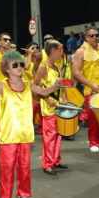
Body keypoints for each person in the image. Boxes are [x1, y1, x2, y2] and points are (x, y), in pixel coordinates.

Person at [0, 51, 61, 198]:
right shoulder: (1, 85)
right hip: (8, 135)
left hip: (25, 134)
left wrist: (56, 86)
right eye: (15, 65)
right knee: (7, 167)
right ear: (7, 69)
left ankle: (24, 195)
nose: (19, 67)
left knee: (25, 166)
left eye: (21, 64)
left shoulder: (28, 84)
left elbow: (43, 92)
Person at [72, 27, 99, 153]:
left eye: (97, 35)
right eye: (92, 36)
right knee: (93, 118)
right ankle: (94, 142)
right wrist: (91, 85)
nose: (95, 37)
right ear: (86, 38)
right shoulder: (81, 52)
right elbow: (76, 73)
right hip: (91, 89)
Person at [34, 40, 67, 175]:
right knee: (50, 137)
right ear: (53, 51)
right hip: (48, 108)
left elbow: (60, 86)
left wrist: (64, 99)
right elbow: (35, 87)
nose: (62, 52)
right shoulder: (43, 67)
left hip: (58, 106)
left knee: (58, 135)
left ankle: (56, 160)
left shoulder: (56, 66)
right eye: (60, 50)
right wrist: (48, 99)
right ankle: (48, 164)